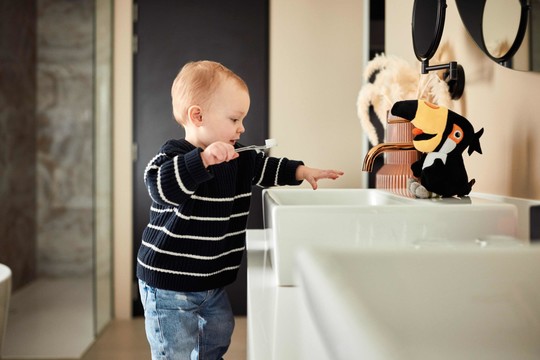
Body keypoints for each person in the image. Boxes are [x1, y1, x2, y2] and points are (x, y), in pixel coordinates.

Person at [137, 60, 343, 360]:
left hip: (211, 280)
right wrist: (203, 160)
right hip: (168, 280)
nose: (242, 127)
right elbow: (161, 187)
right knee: (175, 350)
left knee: (219, 331)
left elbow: (265, 167)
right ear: (198, 116)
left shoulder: (238, 157)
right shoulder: (172, 156)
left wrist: (301, 171)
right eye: (235, 119)